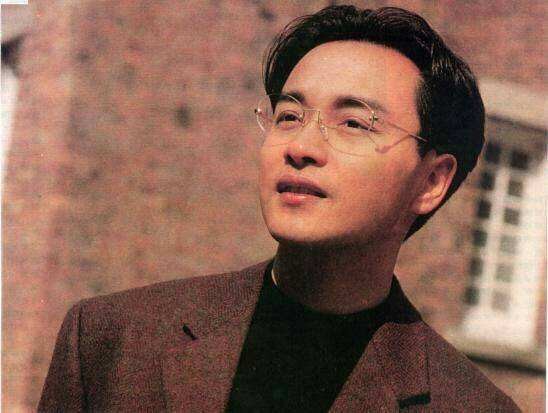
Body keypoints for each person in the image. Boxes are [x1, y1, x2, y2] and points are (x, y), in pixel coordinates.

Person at [39, 5, 520, 412]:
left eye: (353, 123)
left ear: (432, 181)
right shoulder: (113, 339)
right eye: (289, 116)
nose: (301, 147)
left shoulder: (470, 405)